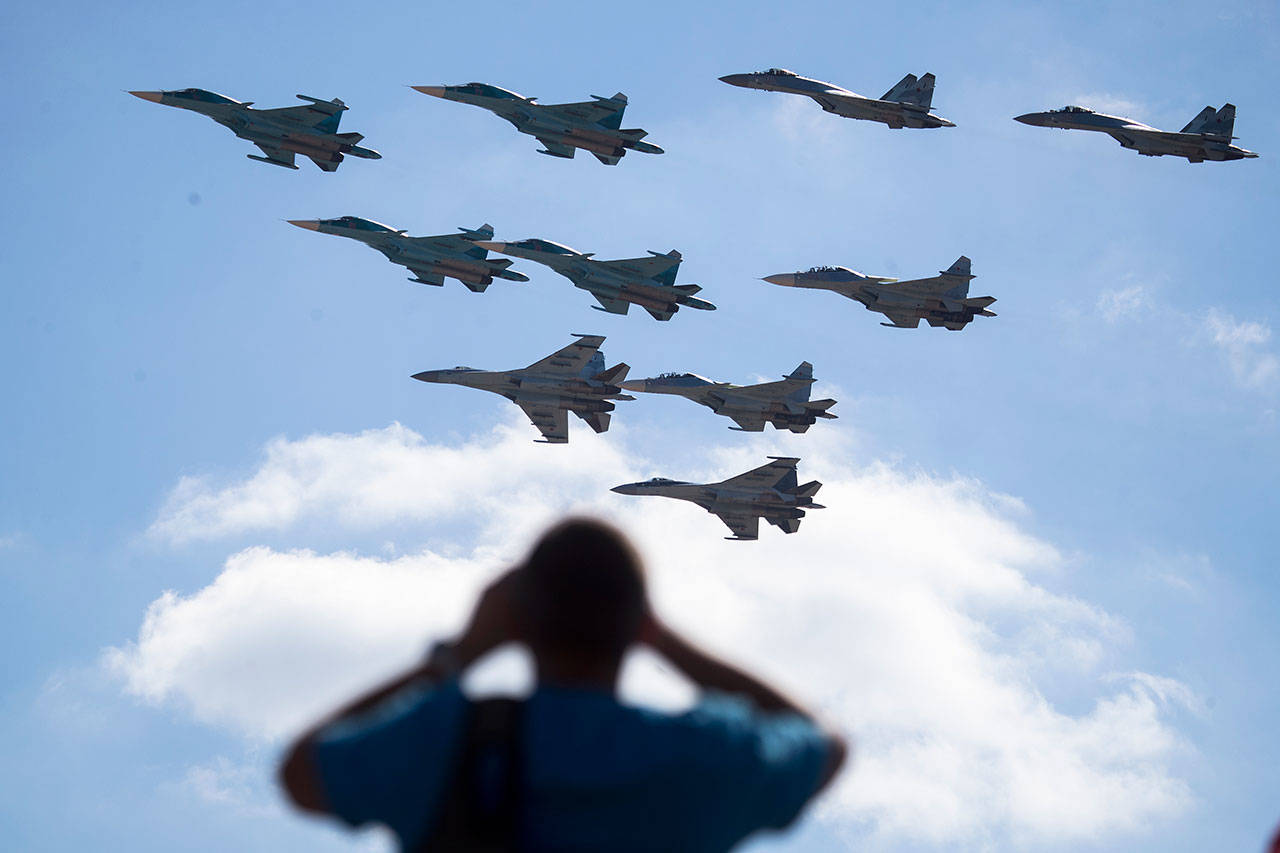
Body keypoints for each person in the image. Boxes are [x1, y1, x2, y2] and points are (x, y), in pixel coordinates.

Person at [280, 517, 847, 851]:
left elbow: (299, 772)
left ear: (518, 621)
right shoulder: (704, 756)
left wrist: (459, 654)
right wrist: (661, 638)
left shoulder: (445, 742)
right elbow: (820, 742)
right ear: (637, 623)